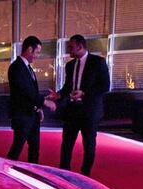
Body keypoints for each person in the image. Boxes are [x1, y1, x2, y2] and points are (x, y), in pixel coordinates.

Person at [46, 34, 110, 176]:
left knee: (89, 146)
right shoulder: (69, 65)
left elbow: (105, 86)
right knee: (66, 145)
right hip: (72, 111)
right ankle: (64, 174)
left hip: (89, 112)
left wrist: (84, 93)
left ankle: (85, 175)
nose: (68, 49)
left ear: (80, 46)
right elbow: (68, 86)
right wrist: (59, 95)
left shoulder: (98, 62)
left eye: (71, 47)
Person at [6, 35, 56, 163]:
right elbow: (26, 91)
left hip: (32, 115)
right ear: (29, 49)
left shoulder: (28, 68)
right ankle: (6, 172)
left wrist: (38, 108)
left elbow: (32, 92)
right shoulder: (16, 67)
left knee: (35, 148)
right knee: (17, 147)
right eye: (37, 52)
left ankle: (33, 172)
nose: (37, 56)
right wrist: (45, 102)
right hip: (22, 116)